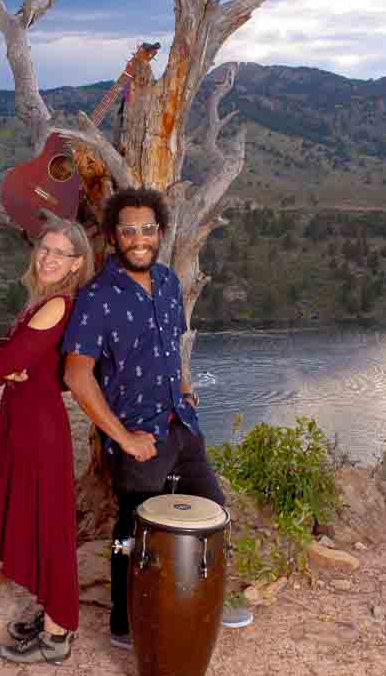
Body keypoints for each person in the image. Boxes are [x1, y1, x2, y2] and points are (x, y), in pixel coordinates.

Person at [63, 187, 252, 649]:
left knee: (213, 512)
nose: (139, 238)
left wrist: (184, 385)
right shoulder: (96, 298)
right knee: (135, 529)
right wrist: (124, 439)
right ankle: (125, 623)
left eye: (147, 229)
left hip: (182, 425)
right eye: (128, 230)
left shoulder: (168, 283)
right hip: (140, 434)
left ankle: (207, 600)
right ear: (112, 237)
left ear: (161, 232)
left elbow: (171, 343)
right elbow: (77, 375)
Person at [0, 213, 94, 664]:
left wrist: (1, 361)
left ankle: (57, 634)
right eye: (45, 249)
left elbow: (5, 357)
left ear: (76, 264)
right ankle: (52, 610)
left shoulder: (57, 306)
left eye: (60, 254)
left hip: (38, 430)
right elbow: (10, 363)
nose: (49, 258)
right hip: (28, 422)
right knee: (38, 520)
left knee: (49, 527)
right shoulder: (44, 301)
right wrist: (6, 366)